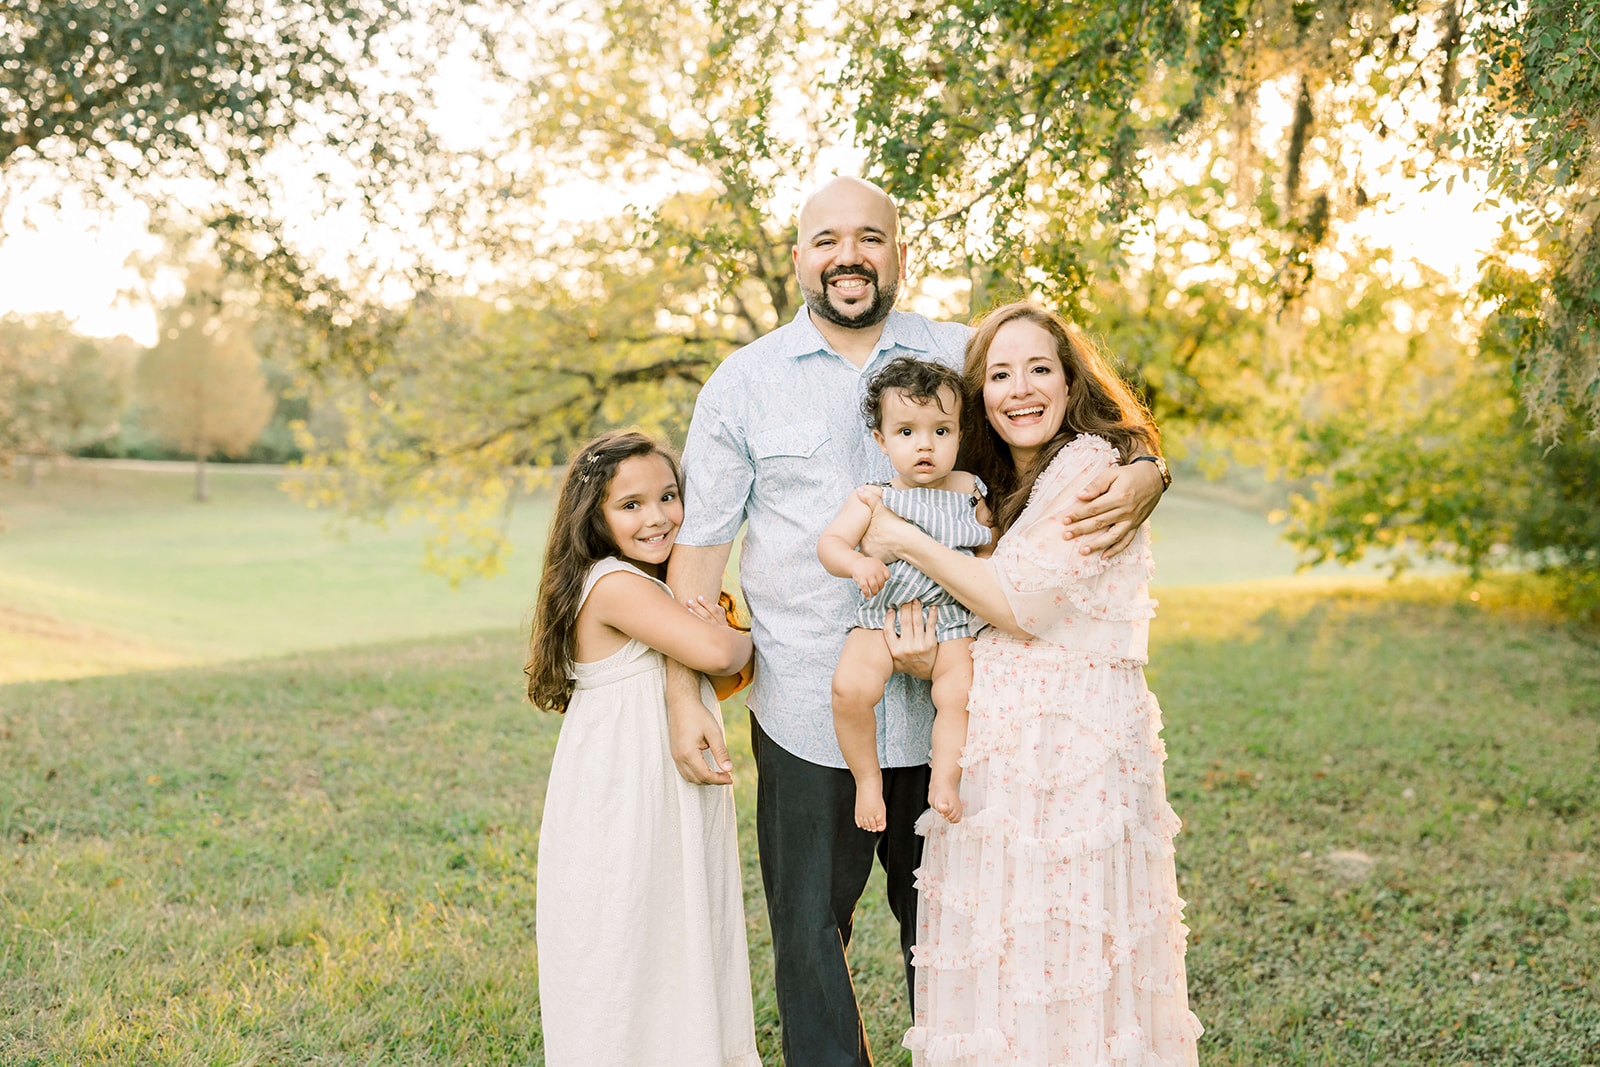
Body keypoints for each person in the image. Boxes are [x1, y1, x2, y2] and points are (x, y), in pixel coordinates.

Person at [664, 176, 1168, 1066]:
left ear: (900, 252)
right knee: (811, 936)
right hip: (812, 708)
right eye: (826, 240)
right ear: (798, 260)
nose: (847, 256)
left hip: (963, 708)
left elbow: (1056, 414)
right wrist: (682, 691)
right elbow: (700, 553)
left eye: (869, 237)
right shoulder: (741, 386)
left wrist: (1147, 469)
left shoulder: (964, 354)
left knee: (953, 931)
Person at [857, 303, 1201, 1065]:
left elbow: (1019, 602)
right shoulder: (992, 485)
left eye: (1039, 368)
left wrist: (901, 536)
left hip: (1069, 753)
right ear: (977, 393)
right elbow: (979, 608)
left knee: (1069, 949)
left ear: (1071, 381)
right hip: (1002, 750)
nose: (1020, 389)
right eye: (1000, 374)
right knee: (1009, 955)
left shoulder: (1091, 468)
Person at [525, 431, 761, 1067]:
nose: (657, 517)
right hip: (624, 800)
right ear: (594, 518)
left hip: (657, 793)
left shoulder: (644, 584)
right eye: (630, 505)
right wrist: (743, 640)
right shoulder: (613, 586)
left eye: (669, 496)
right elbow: (718, 654)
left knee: (673, 930)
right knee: (625, 938)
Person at [819, 356, 990, 833]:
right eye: (907, 432)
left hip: (950, 623)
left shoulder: (971, 492)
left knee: (959, 694)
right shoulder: (874, 496)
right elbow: (829, 545)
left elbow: (992, 552)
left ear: (960, 434)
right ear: (882, 440)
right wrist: (858, 562)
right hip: (879, 617)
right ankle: (868, 781)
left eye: (941, 431)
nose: (925, 446)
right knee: (848, 689)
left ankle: (945, 779)